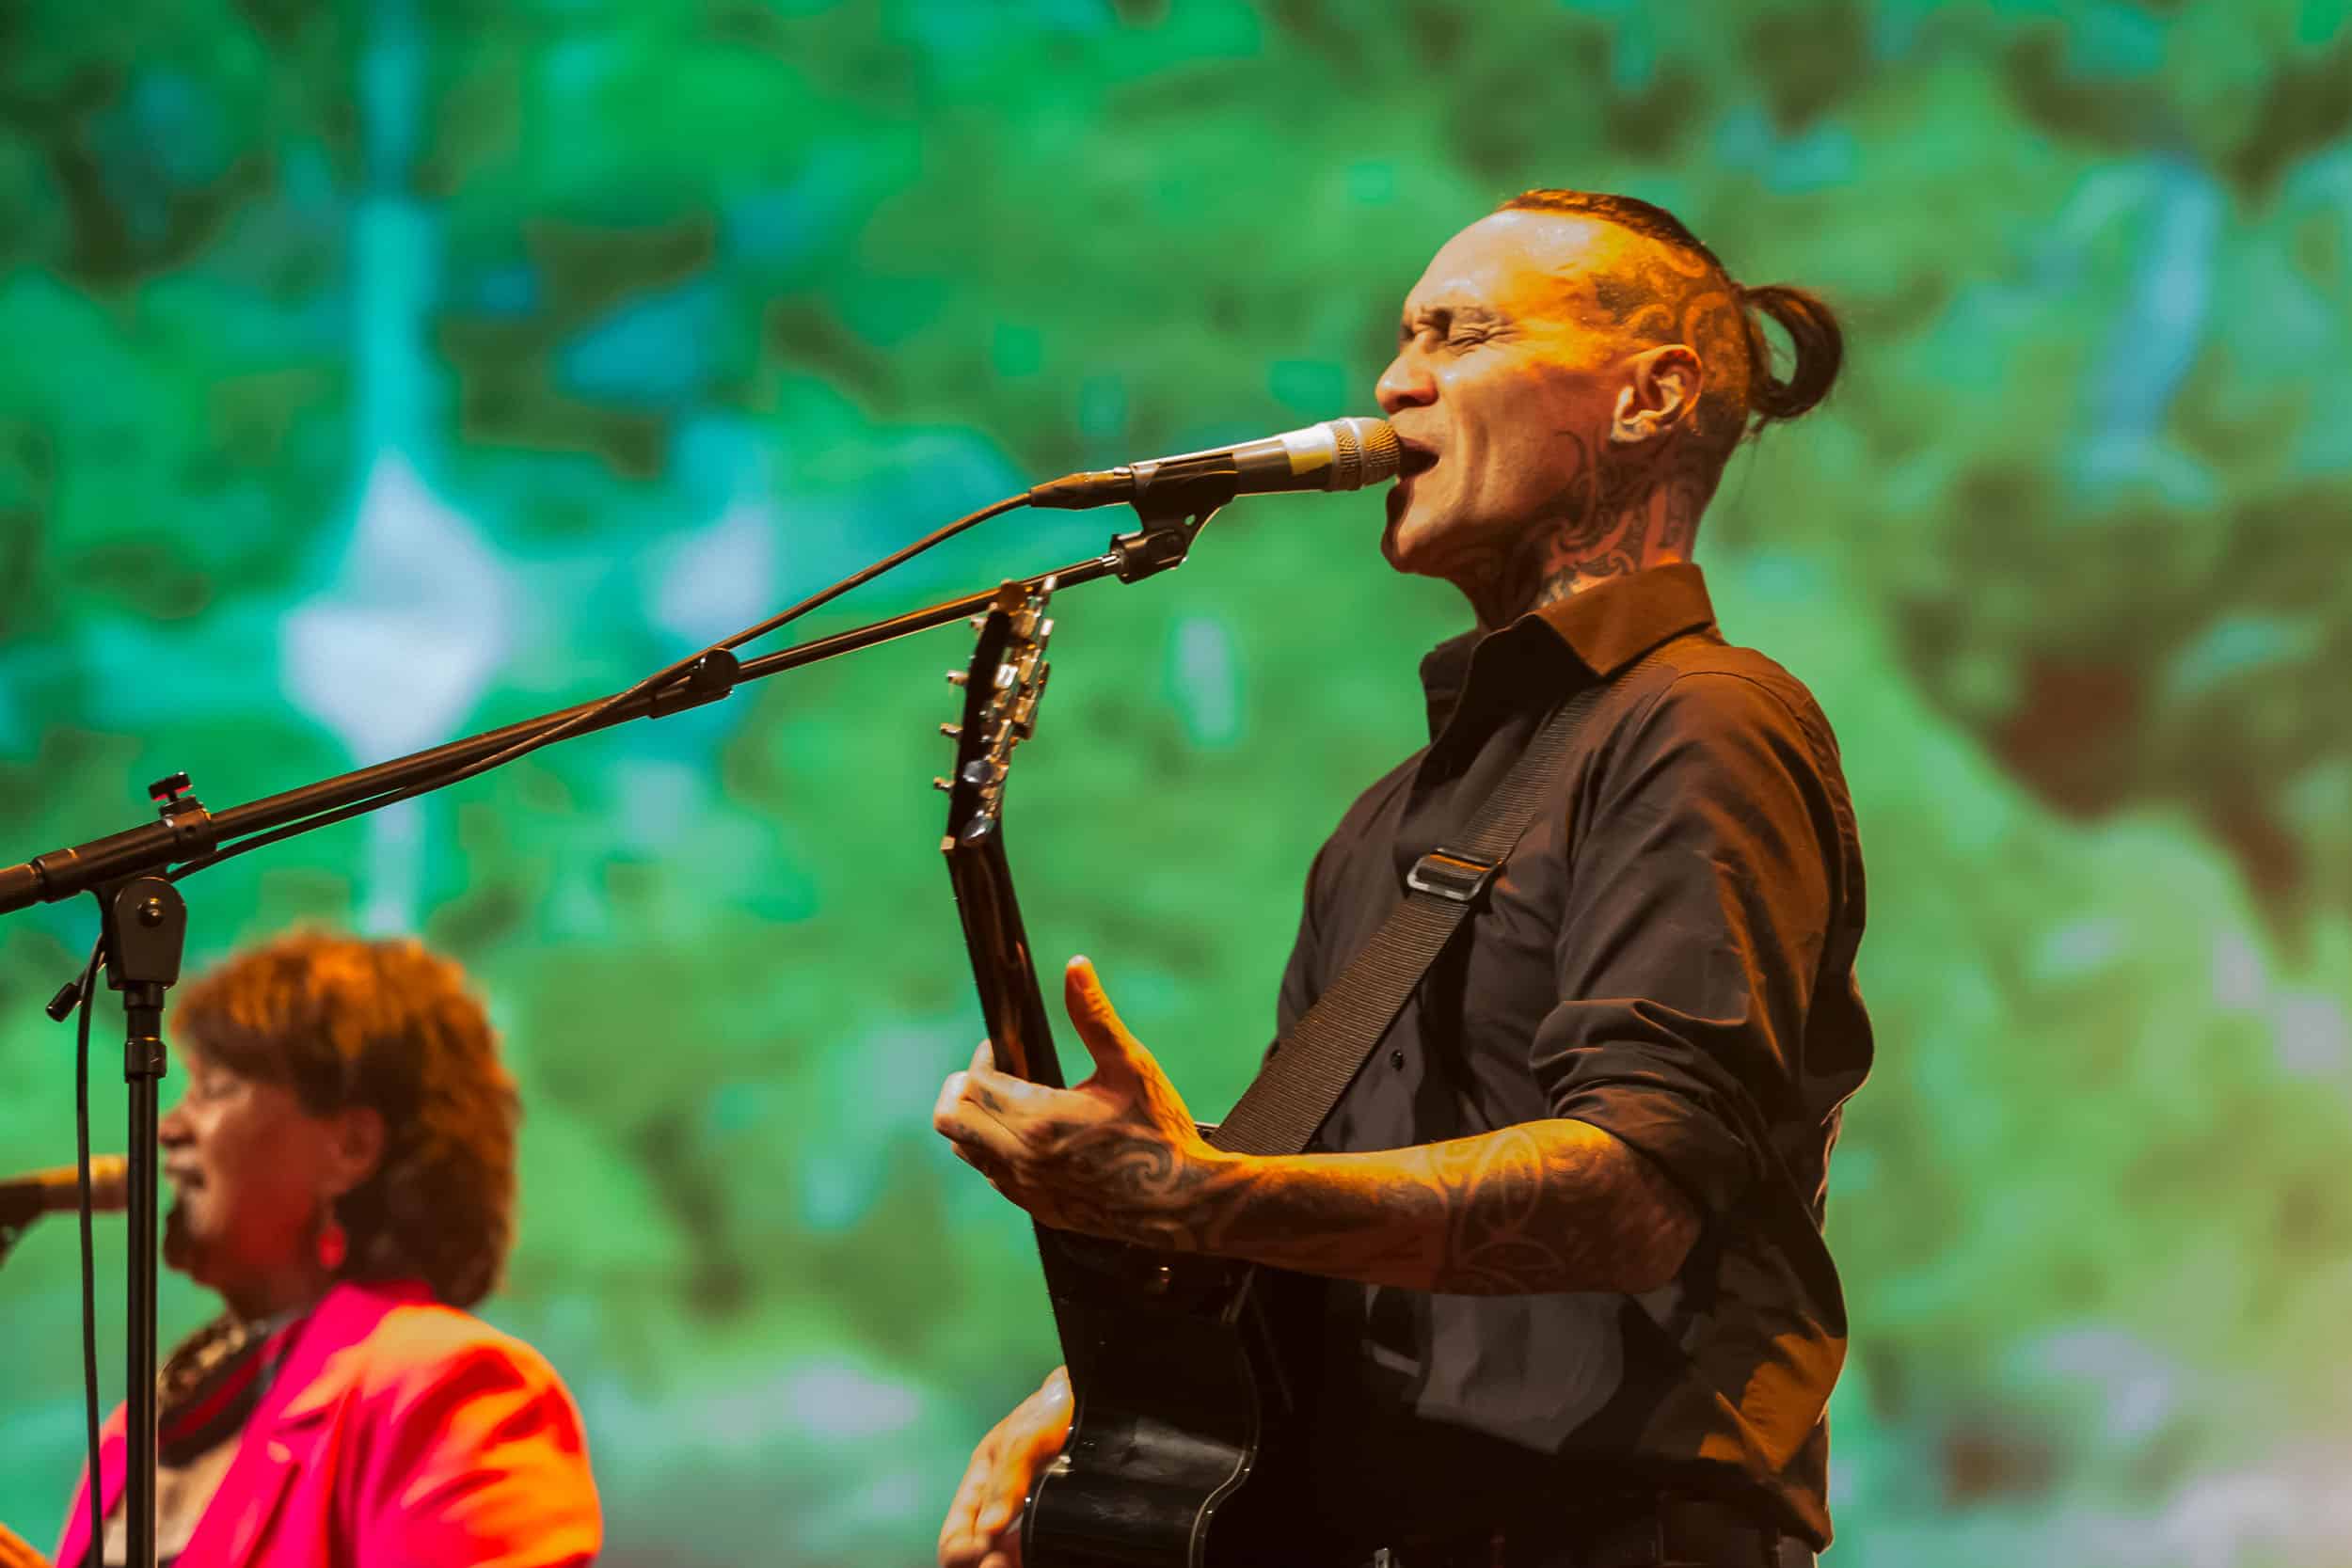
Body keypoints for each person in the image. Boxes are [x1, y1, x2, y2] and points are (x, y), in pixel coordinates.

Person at [932, 189, 1872, 1568]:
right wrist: (1108, 1397)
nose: (1393, 380)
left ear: (1648, 395)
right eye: (1399, 336)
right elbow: (1284, 1216)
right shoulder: (1387, 824)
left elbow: (1636, 1188)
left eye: (1460, 331)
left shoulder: (1705, 719)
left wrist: (1186, 1195)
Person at [30, 930, 600, 1568]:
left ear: (351, 1147)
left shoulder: (450, 1390)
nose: (169, 1126)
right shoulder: (140, 1426)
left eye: (216, 1088)